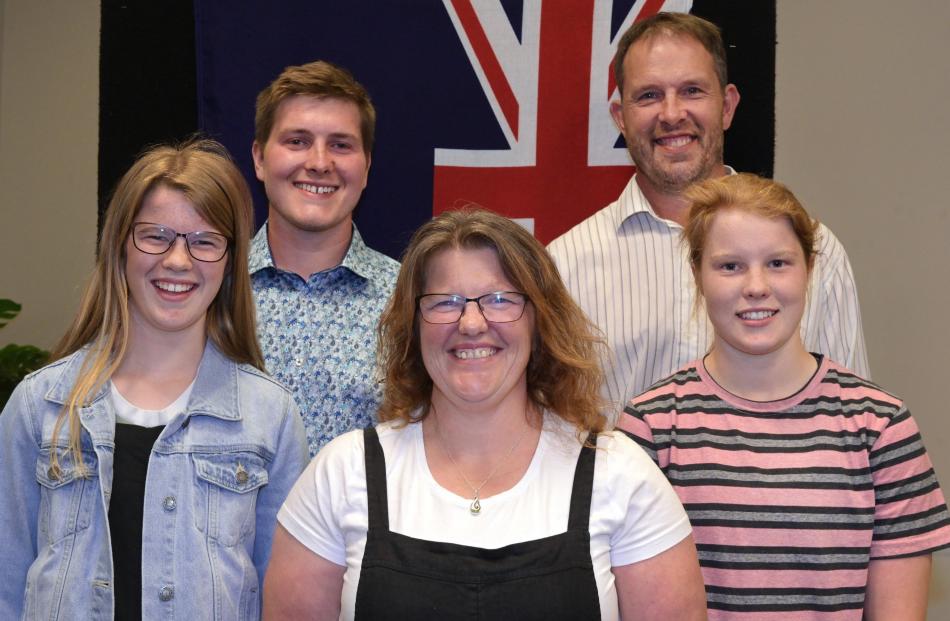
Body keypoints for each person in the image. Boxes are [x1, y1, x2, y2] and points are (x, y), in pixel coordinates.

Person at [263, 208, 707, 620]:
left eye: (499, 299)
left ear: (539, 320)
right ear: (412, 327)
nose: (471, 323)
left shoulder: (624, 478)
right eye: (445, 301)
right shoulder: (341, 474)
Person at [0, 139, 309, 620]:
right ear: (120, 246)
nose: (178, 261)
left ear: (230, 262)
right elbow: (6, 582)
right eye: (155, 235)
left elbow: (285, 602)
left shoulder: (270, 417)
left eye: (204, 240)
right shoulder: (39, 404)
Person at [619, 173, 950, 620]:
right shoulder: (649, 427)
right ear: (697, 274)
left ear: (809, 269)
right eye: (730, 265)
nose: (756, 286)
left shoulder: (881, 426)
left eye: (778, 263)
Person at [547, 12, 868, 411]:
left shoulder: (818, 253)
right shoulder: (562, 268)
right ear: (621, 119)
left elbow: (852, 422)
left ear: (728, 106)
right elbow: (554, 432)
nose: (671, 113)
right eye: (648, 95)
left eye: (692, 90)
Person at [250, 60, 399, 456]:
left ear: (366, 167)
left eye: (340, 144)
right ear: (260, 159)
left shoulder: (410, 300)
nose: (319, 162)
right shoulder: (210, 288)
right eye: (297, 141)